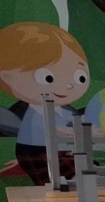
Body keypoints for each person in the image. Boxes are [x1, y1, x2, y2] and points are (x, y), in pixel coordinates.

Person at [0, 22, 90, 185]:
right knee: (57, 180)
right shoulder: (28, 114)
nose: (68, 85)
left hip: (58, 149)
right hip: (35, 152)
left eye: (80, 77)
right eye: (48, 78)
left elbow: (73, 122)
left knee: (83, 168)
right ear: (8, 77)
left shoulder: (64, 110)